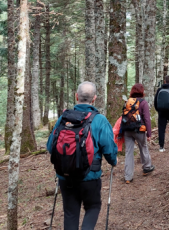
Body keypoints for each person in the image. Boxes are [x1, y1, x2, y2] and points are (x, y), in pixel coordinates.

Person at [47, 81, 117, 230]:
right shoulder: (100, 120)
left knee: (70, 213)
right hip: (89, 177)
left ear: (76, 96)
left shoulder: (63, 118)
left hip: (65, 176)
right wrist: (113, 161)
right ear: (94, 98)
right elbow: (109, 149)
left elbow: (50, 146)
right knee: (93, 207)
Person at [122, 83, 155, 184]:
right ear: (142, 91)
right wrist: (149, 133)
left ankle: (128, 176)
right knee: (143, 147)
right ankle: (147, 167)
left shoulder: (128, 102)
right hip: (139, 129)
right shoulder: (143, 102)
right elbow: (147, 119)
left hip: (127, 130)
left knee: (128, 152)